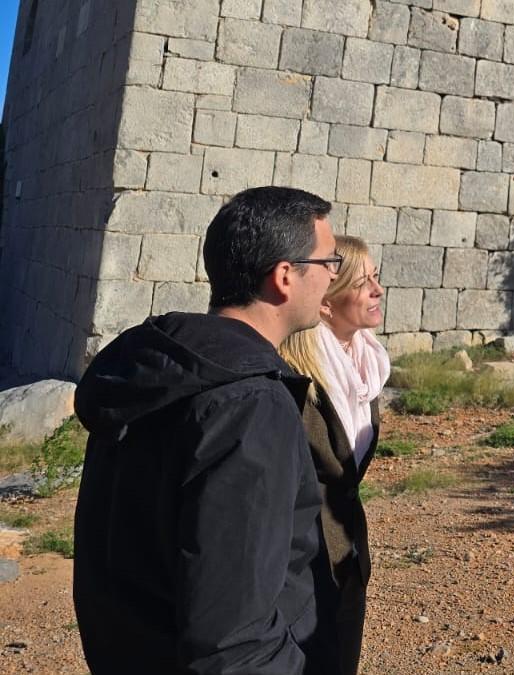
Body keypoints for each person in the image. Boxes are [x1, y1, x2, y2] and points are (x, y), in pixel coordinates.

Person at [73, 186, 340, 674]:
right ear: (284, 276)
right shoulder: (251, 404)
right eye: (329, 263)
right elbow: (234, 640)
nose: (332, 278)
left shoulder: (155, 369)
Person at [279, 235, 390, 675]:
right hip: (298, 567)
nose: (378, 291)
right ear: (327, 303)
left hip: (345, 559)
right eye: (365, 283)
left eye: (376, 278)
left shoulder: (367, 367)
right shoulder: (294, 379)